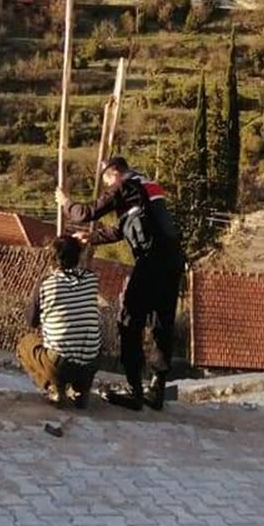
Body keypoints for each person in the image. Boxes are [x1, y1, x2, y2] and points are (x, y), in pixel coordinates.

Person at [56, 154, 185, 412]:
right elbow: (122, 229)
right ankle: (157, 389)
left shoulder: (123, 184)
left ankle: (134, 390)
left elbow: (88, 212)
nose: (107, 187)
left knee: (129, 320)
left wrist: (65, 203)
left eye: (105, 180)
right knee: (162, 323)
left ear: (113, 172)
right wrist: (91, 238)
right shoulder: (147, 186)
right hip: (173, 261)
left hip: (150, 260)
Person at [17, 234, 101, 409]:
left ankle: (53, 388)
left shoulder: (46, 283)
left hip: (61, 363)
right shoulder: (91, 279)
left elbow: (31, 321)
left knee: (26, 344)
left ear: (53, 258)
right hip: (91, 363)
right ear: (79, 256)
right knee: (90, 338)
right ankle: (81, 390)